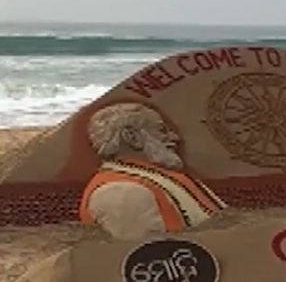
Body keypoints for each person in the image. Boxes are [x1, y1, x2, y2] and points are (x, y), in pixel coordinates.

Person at [79, 102, 229, 240]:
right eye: (162, 130)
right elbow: (144, 256)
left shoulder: (159, 178)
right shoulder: (122, 192)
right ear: (132, 137)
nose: (174, 137)